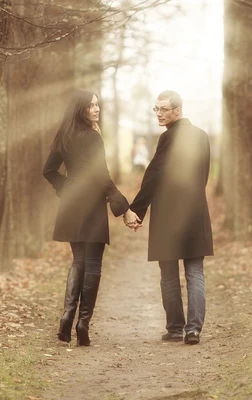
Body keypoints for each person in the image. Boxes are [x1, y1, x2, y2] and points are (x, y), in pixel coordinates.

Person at [43, 89, 141, 346]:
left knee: (78, 261)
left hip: (71, 204)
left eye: (97, 105)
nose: (96, 109)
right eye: (91, 106)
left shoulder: (63, 135)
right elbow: (103, 176)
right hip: (91, 204)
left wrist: (67, 187)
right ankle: (83, 324)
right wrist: (125, 208)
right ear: (80, 110)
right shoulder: (93, 138)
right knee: (93, 264)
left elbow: (49, 171)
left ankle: (66, 317)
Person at [125, 90, 213, 345]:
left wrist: (136, 210)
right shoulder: (201, 136)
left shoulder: (168, 138)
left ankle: (176, 328)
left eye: (163, 109)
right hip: (195, 212)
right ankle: (192, 329)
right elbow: (204, 175)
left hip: (167, 215)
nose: (159, 114)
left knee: (170, 274)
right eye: (156, 109)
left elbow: (153, 176)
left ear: (178, 110)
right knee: (194, 271)